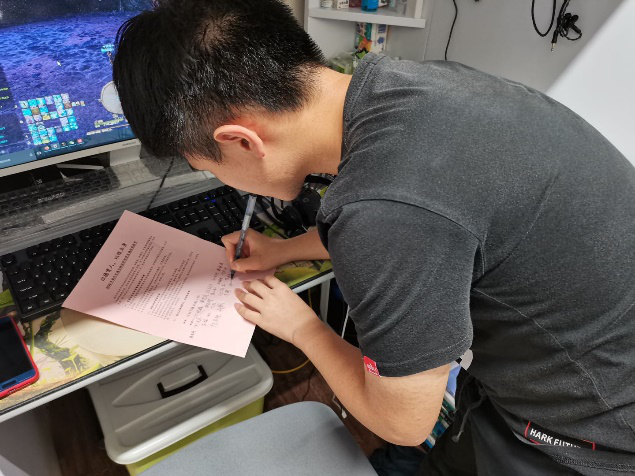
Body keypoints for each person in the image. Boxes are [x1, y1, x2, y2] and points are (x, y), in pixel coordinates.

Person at [112, 1, 635, 474]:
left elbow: (404, 423)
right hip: (562, 350)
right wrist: (284, 249)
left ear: (242, 141)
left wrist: (301, 326)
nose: (221, 180)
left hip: (587, 427)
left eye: (208, 167)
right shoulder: (406, 83)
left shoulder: (384, 212)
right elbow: (427, 224)